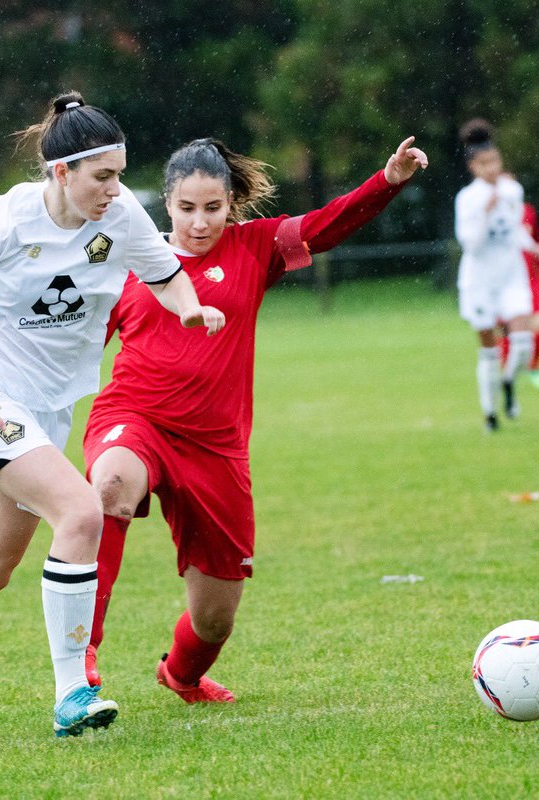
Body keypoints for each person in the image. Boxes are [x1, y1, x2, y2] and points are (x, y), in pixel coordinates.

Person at [0, 91, 225, 737]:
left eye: (119, 174)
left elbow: (163, 274)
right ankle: (73, 693)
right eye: (102, 176)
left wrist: (187, 306)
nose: (116, 189)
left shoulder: (122, 213)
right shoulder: (3, 222)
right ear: (61, 173)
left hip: (50, 414)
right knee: (81, 513)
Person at [81, 136, 428, 703]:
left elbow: (326, 226)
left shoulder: (254, 247)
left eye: (212, 208)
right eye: (187, 208)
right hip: (134, 417)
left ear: (231, 204)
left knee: (215, 620)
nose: (199, 222)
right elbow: (74, 347)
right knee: (111, 486)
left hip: (216, 449)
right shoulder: (124, 259)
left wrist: (385, 182)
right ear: (167, 204)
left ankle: (182, 674)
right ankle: (82, 655)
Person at [454, 120, 539, 432]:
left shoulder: (512, 190)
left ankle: (509, 382)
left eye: (495, 161)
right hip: (480, 281)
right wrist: (485, 212)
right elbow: (471, 244)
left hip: (511, 274)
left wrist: (534, 246)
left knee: (523, 340)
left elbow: (514, 229)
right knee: (489, 350)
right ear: (473, 167)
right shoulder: (468, 199)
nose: (492, 168)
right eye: (484, 164)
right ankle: (490, 415)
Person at [500, 201, 539, 388]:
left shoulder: (527, 210)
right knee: (508, 328)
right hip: (504, 279)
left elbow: (537, 242)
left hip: (530, 276)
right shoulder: (490, 211)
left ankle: (533, 366)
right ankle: (508, 372)